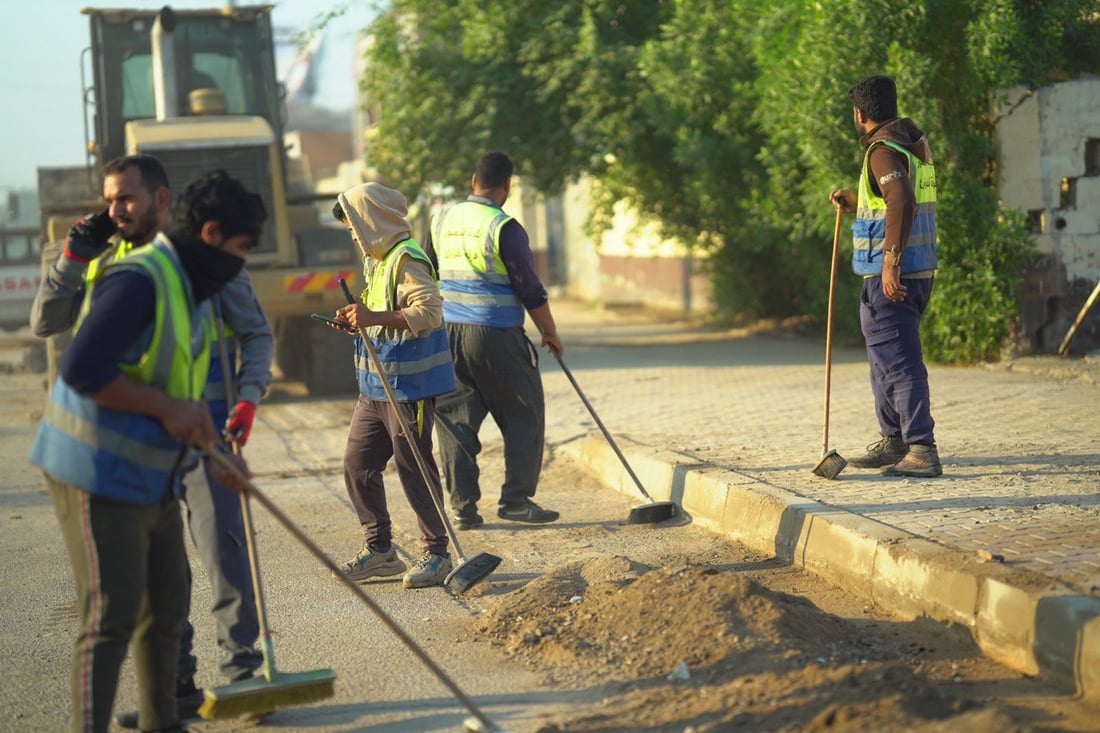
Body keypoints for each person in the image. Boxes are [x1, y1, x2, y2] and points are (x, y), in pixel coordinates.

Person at [30, 155, 273, 724]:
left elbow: (194, 370)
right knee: (115, 615)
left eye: (127, 199)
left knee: (182, 589)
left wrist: (219, 439)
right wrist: (72, 258)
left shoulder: (197, 274)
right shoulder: (137, 273)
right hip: (100, 461)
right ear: (213, 237)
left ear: (162, 200)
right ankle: (158, 696)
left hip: (171, 449)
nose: (114, 211)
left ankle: (216, 686)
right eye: (110, 199)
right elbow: (75, 360)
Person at [328, 182, 457, 589]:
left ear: (371, 220)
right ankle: (380, 551)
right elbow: (380, 313)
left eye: (353, 225)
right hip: (375, 386)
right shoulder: (378, 261)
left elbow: (429, 312)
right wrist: (356, 320)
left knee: (413, 468)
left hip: (408, 388)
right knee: (357, 465)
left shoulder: (406, 259)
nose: (352, 234)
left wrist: (373, 317)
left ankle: (437, 553)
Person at [423, 151, 562, 528]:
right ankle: (516, 501)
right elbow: (530, 290)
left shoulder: (441, 219)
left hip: (449, 336)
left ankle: (463, 509)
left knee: (453, 419)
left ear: (473, 181)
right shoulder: (504, 228)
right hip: (497, 336)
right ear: (508, 186)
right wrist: (549, 331)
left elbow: (426, 272)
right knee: (523, 412)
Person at [830, 75, 942, 478]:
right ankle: (893, 441)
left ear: (860, 114)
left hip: (892, 277)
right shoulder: (913, 145)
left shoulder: (882, 150)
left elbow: (902, 200)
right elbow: (892, 201)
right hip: (919, 269)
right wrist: (857, 203)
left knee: (900, 364)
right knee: (886, 361)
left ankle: (921, 449)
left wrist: (890, 261)